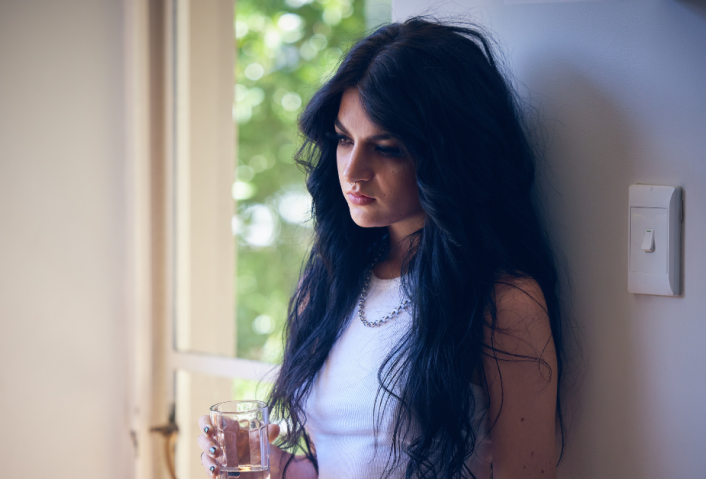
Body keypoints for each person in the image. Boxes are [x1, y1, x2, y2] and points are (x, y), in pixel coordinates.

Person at [198, 16, 564, 479]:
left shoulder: (503, 303)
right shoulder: (331, 281)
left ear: (448, 158)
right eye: (343, 139)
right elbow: (339, 463)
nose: (352, 170)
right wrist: (272, 465)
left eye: (385, 147)